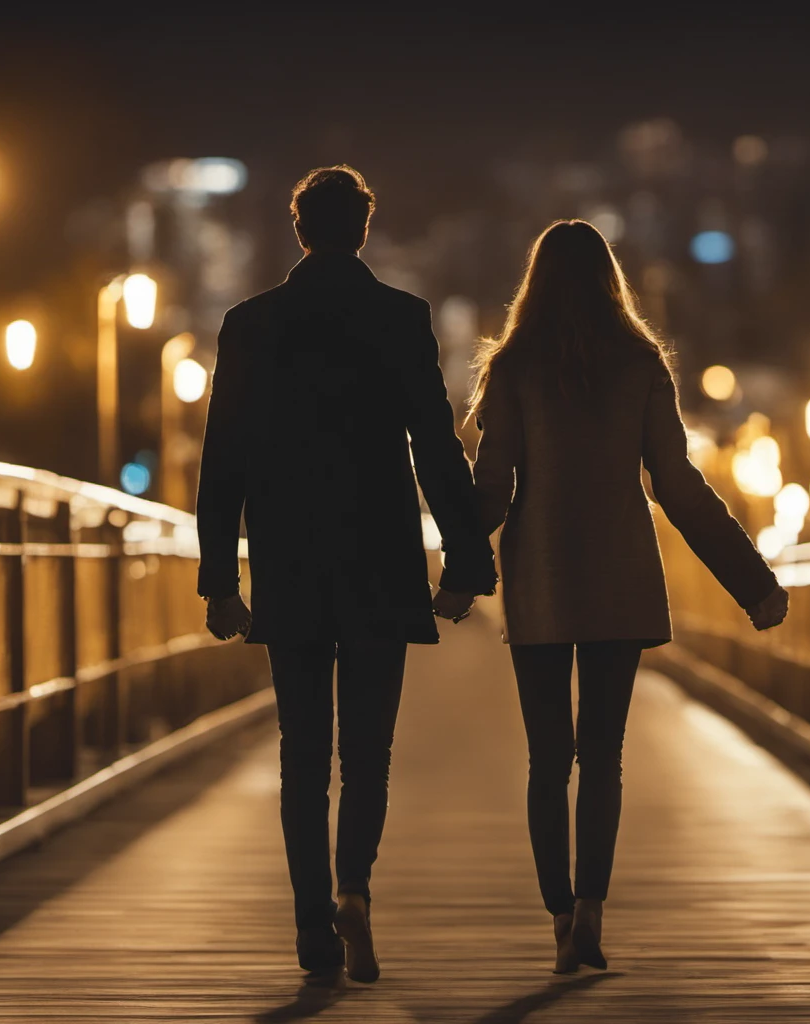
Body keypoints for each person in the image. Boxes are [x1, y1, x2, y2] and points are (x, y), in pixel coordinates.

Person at [194, 165, 495, 983]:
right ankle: (355, 886)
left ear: (300, 230)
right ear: (364, 229)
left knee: (302, 755)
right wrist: (466, 560)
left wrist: (219, 577)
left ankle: (310, 925)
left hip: (289, 560)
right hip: (378, 559)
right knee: (367, 752)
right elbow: (436, 445)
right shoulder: (400, 318)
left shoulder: (249, 324)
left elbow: (223, 458)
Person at [469, 220, 788, 974]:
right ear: (612, 281)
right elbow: (676, 486)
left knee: (548, 759)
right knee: (602, 755)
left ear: (535, 283)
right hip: (619, 575)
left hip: (541, 576)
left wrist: (454, 573)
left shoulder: (513, 367)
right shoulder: (640, 361)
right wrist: (755, 583)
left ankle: (556, 918)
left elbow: (491, 488)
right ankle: (591, 909)